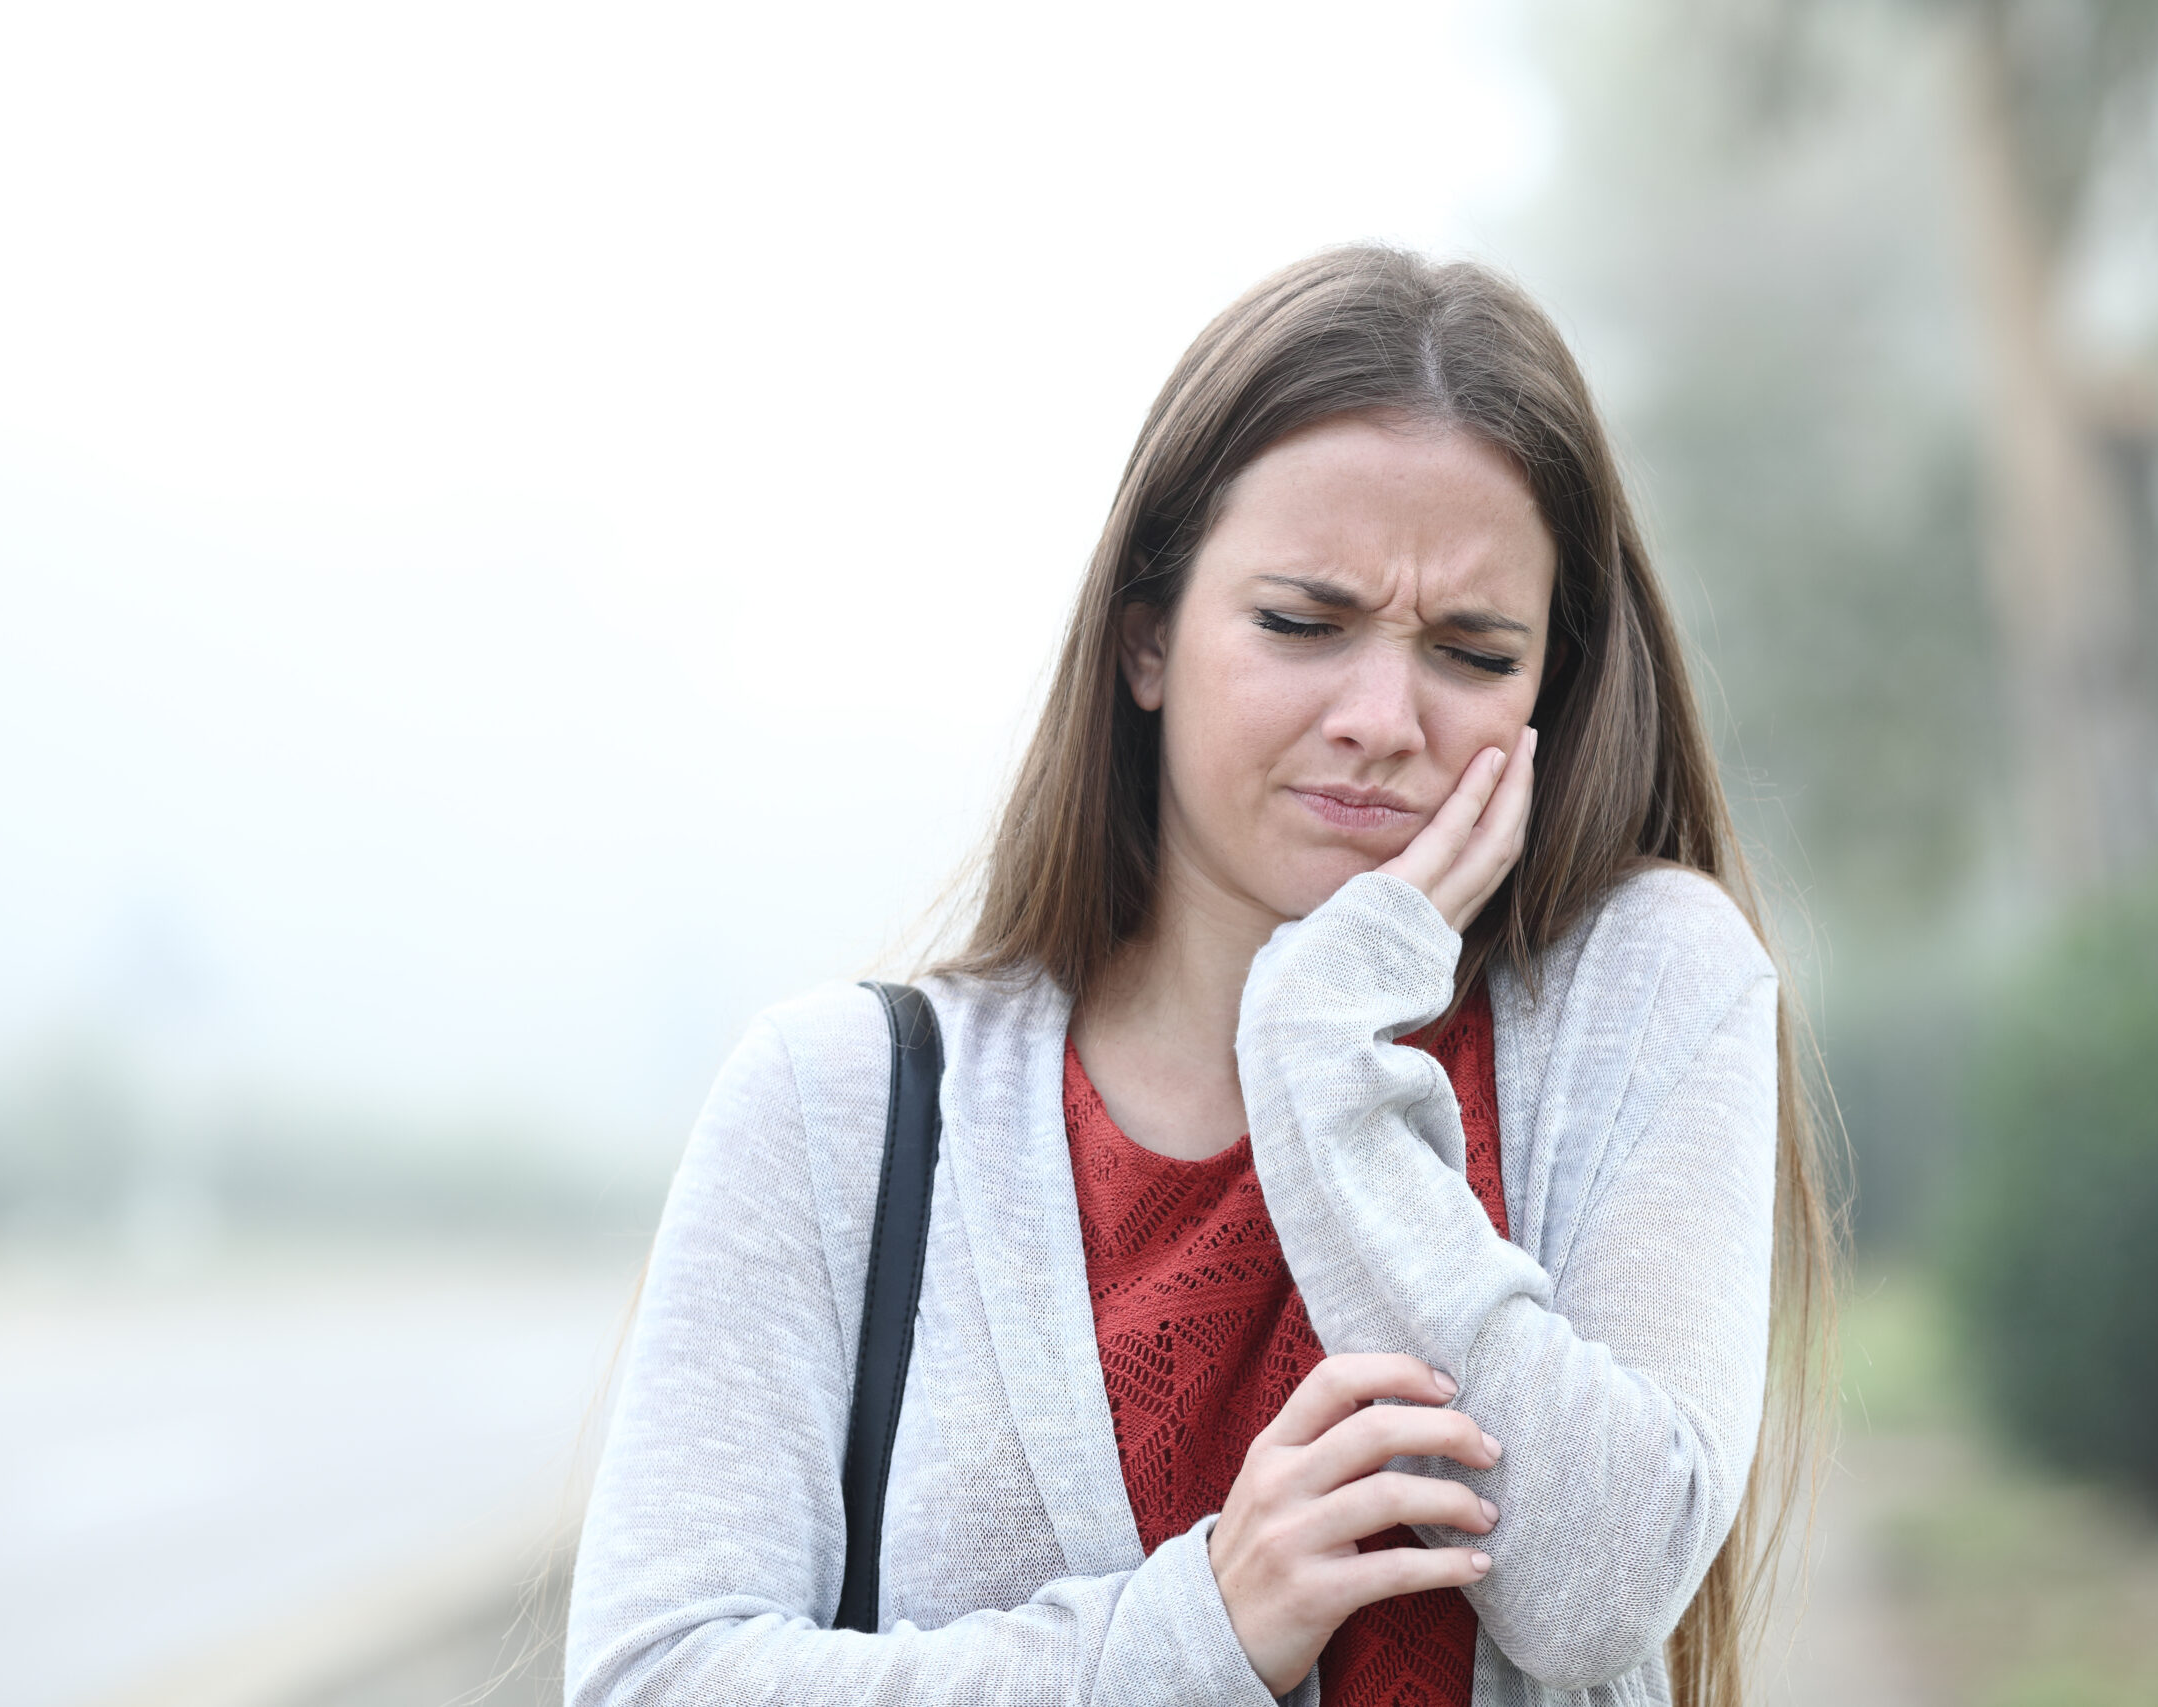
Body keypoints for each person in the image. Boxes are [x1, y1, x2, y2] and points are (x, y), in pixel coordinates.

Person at [564, 245, 1836, 1707]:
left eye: (1472, 653)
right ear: (1147, 635)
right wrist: (1195, 1638)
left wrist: (1320, 1043)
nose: (1383, 718)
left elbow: (1602, 1587)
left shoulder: (1643, 994)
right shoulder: (835, 1104)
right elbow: (652, 1680)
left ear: (1554, 682)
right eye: (1303, 624)